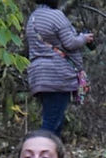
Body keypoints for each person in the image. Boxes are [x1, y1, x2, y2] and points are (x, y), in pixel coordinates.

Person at [25, 1, 94, 137]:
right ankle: (41, 152)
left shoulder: (33, 17)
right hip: (56, 76)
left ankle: (53, 155)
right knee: (51, 123)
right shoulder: (56, 15)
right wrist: (84, 38)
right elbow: (70, 43)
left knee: (54, 119)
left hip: (39, 76)